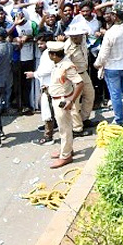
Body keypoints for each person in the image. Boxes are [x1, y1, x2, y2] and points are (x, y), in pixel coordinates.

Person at [45, 40, 83, 169]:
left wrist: (71, 100)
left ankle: (66, 155)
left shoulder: (67, 66)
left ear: (54, 55)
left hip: (63, 100)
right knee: (63, 128)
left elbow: (79, 83)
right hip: (56, 98)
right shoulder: (58, 64)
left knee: (64, 128)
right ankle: (66, 149)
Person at [62, 22, 95, 133]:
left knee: (90, 95)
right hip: (74, 76)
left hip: (84, 72)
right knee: (74, 102)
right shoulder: (67, 47)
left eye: (78, 36)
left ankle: (84, 118)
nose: (76, 38)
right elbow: (65, 65)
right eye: (73, 37)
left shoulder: (83, 39)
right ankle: (77, 128)